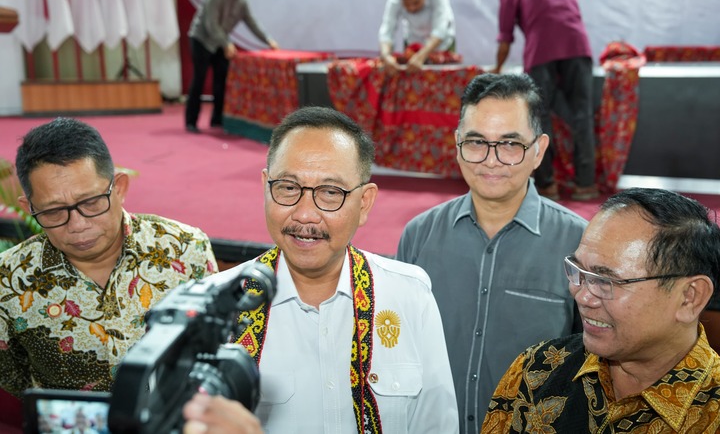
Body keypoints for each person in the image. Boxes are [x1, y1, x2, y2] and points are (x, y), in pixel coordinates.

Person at [212, 106, 458, 432]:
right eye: (287, 187)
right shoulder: (217, 306)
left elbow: (436, 425)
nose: (305, 215)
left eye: (330, 193)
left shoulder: (409, 296)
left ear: (365, 203)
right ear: (265, 186)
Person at [396, 73, 586, 433]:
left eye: (510, 144)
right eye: (476, 142)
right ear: (457, 144)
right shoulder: (419, 236)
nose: (491, 160)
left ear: (538, 151)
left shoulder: (579, 244)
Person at [0, 118, 218, 398]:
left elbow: (214, 345)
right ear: (29, 207)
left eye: (91, 203)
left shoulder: (185, 249)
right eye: (53, 212)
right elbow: (13, 377)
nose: (77, 225)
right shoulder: (10, 278)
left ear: (119, 188)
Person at [483, 188, 720, 432]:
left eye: (607, 281)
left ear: (690, 297)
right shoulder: (537, 369)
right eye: (578, 271)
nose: (583, 296)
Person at [493, 0, 597, 201]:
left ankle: (547, 185)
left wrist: (497, 69)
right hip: (578, 49)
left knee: (539, 116)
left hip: (541, 53)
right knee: (583, 114)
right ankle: (586, 184)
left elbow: (505, 38)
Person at [185, 0, 279, 133]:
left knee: (221, 81)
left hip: (221, 42)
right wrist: (226, 43)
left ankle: (217, 119)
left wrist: (268, 40)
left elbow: (252, 22)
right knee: (199, 80)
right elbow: (210, 24)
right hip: (201, 39)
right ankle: (191, 121)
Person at [378, 0, 455, 73]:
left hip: (443, 44)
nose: (411, 8)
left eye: (416, 3)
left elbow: (440, 30)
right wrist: (386, 56)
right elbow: (386, 31)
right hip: (413, 45)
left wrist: (421, 56)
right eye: (407, 4)